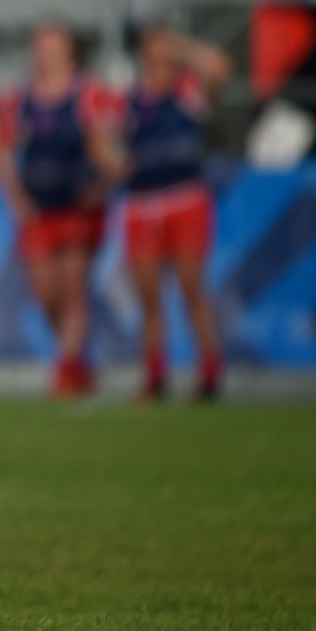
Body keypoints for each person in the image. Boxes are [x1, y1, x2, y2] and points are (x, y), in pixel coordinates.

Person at [0, 21, 119, 398]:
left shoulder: (89, 93)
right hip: (39, 208)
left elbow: (108, 144)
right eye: (40, 45)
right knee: (46, 293)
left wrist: (102, 184)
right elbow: (0, 149)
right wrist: (16, 199)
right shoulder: (19, 99)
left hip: (77, 206)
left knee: (73, 287)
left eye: (53, 44)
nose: (45, 52)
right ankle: (76, 359)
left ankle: (66, 368)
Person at [114, 23, 232, 402]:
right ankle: (154, 374)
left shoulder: (187, 93)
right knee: (149, 294)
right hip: (143, 201)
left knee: (191, 288)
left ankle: (209, 372)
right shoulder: (129, 100)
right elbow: (104, 141)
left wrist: (182, 47)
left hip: (184, 198)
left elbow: (219, 68)